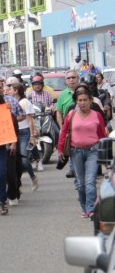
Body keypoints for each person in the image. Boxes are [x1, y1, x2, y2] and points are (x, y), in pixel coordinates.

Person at [58, 87, 107, 219]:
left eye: (85, 100)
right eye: (80, 100)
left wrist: (105, 152)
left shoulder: (96, 115)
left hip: (93, 151)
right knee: (81, 183)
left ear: (91, 101)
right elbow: (63, 132)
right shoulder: (71, 115)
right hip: (75, 152)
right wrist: (60, 149)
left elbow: (102, 134)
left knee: (90, 182)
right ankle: (84, 207)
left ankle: (91, 209)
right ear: (76, 101)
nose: (83, 103)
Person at [7, 80, 39, 192]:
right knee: (15, 162)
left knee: (24, 160)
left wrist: (32, 135)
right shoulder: (8, 102)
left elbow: (30, 120)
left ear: (16, 91)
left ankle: (33, 177)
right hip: (12, 133)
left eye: (10, 89)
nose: (8, 91)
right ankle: (17, 184)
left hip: (24, 132)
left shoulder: (25, 102)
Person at [57, 70, 81, 178]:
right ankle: (73, 170)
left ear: (78, 78)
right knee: (71, 148)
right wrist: (62, 127)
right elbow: (59, 112)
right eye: (68, 78)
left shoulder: (83, 91)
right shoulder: (62, 94)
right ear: (66, 81)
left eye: (73, 77)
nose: (71, 80)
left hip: (83, 127)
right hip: (69, 128)